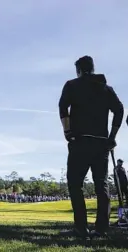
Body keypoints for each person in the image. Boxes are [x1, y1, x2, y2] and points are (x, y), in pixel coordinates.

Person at [58, 56, 124, 239]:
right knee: (101, 185)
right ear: (93, 68)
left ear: (78, 70)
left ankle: (81, 227)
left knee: (75, 184)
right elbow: (119, 110)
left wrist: (67, 131)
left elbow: (63, 107)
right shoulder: (105, 88)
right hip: (101, 143)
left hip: (80, 141)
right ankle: (101, 229)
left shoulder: (72, 85)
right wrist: (112, 137)